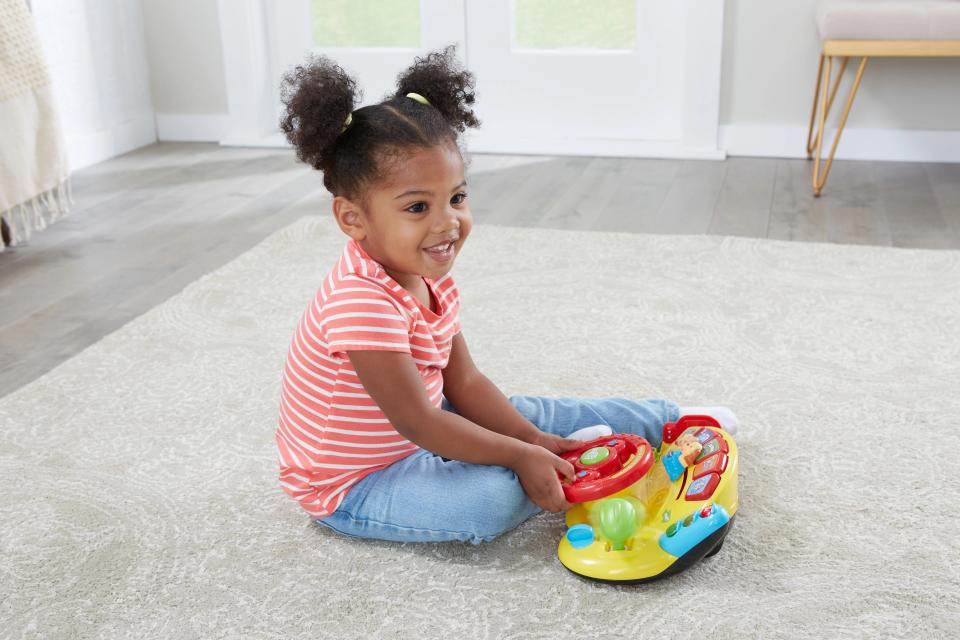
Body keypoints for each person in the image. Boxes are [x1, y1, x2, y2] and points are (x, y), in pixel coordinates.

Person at [274, 45, 738, 545]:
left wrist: (532, 440)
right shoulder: (359, 302)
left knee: (532, 418)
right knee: (490, 500)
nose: (447, 222)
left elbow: (465, 382)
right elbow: (419, 422)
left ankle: (668, 420)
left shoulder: (426, 276)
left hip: (431, 425)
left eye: (457, 197)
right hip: (359, 483)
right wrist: (518, 454)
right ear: (352, 218)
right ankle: (546, 467)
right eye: (417, 207)